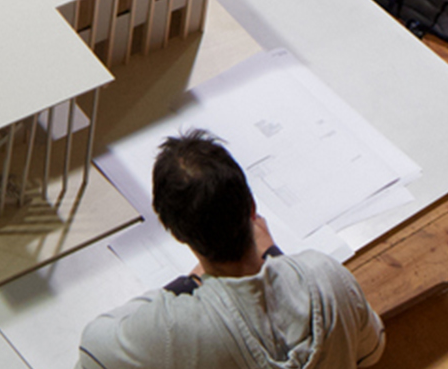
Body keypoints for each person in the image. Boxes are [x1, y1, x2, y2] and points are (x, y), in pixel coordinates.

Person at [74, 131, 384, 369]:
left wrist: (189, 283)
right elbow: (372, 349)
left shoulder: (175, 327)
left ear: (176, 233)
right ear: (251, 206)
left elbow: (93, 350)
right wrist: (275, 258)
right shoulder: (324, 275)